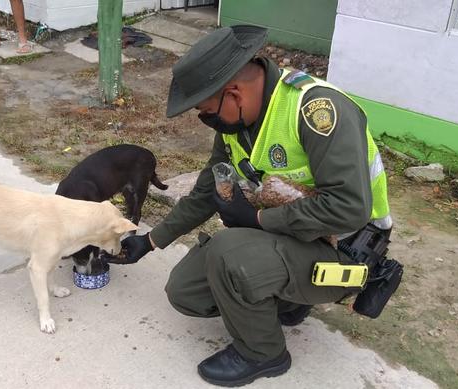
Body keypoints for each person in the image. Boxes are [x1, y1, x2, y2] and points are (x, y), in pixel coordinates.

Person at [117, 25, 394, 386]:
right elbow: (205, 192)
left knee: (229, 253)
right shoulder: (238, 125)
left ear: (233, 93)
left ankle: (263, 353)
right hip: (297, 238)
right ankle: (291, 301)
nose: (207, 121)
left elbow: (349, 209)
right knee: (185, 292)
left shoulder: (315, 110)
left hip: (345, 250)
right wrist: (151, 241)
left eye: (205, 112)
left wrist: (260, 218)